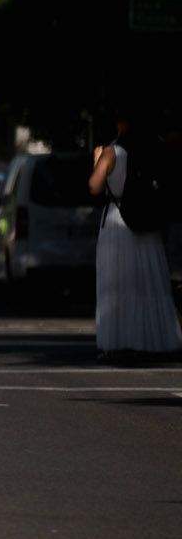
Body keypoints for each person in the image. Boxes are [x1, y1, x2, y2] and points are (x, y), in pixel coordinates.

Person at [89, 117, 181, 359]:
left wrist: (96, 161)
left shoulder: (110, 152)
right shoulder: (152, 149)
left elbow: (94, 187)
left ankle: (119, 342)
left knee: (117, 285)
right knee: (148, 282)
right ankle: (153, 341)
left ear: (120, 124)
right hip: (146, 220)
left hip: (117, 222)